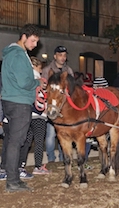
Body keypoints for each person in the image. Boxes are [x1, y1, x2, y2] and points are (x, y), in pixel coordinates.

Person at [1, 24, 45, 192]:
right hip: (19, 103)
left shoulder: (12, 54)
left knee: (12, 141)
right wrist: (38, 82)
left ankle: (13, 178)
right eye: (33, 41)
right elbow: (24, 82)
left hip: (11, 101)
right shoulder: (19, 55)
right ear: (24, 37)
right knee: (16, 142)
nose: (35, 45)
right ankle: (12, 181)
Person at [18, 57, 50, 175]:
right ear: (36, 66)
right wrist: (43, 112)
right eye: (40, 67)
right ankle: (38, 166)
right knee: (39, 141)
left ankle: (21, 165)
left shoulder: (26, 79)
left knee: (26, 141)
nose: (41, 69)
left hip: (27, 115)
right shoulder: (39, 80)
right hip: (39, 116)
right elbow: (41, 98)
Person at [42, 45, 74, 163]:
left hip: (64, 108)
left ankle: (62, 158)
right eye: (60, 55)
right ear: (55, 56)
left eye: (64, 55)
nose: (62, 58)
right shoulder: (47, 70)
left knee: (64, 133)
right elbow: (45, 89)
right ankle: (51, 158)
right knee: (50, 134)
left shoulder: (68, 70)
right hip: (52, 106)